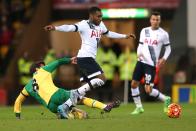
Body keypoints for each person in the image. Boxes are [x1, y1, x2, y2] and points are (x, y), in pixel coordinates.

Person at [44, 6, 135, 100]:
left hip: (86, 58)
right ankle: (75, 93)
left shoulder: (101, 25)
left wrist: (125, 36)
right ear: (91, 16)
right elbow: (70, 27)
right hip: (85, 57)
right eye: (98, 16)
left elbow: (108, 33)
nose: (100, 18)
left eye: (101, 16)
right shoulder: (84, 24)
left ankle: (67, 105)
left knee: (85, 87)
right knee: (102, 78)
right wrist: (56, 28)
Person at [14, 57, 120, 119]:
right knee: (80, 98)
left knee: (82, 115)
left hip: (51, 107)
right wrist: (70, 60)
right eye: (41, 65)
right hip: (57, 95)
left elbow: (18, 100)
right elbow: (58, 62)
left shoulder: (27, 87)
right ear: (37, 68)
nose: (43, 66)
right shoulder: (42, 70)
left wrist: (18, 116)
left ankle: (72, 114)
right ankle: (104, 106)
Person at [130, 11, 171, 115]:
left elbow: (168, 49)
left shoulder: (163, 34)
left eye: (157, 19)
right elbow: (140, 44)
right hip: (140, 62)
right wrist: (138, 53)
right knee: (134, 84)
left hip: (151, 65)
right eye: (153, 19)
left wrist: (164, 58)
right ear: (150, 20)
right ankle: (139, 107)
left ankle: (165, 98)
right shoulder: (144, 30)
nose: (155, 21)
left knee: (148, 90)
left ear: (160, 21)